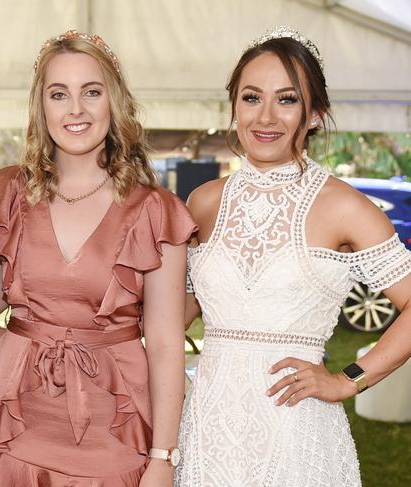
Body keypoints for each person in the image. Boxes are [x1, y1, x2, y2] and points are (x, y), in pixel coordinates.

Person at [175, 26, 411, 486]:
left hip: (297, 430)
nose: (265, 116)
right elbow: (177, 316)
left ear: (314, 113)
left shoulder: (347, 207)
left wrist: (347, 380)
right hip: (208, 427)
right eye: (251, 97)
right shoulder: (201, 202)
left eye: (286, 99)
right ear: (233, 107)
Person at [0, 30, 196, 487]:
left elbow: (164, 344)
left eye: (91, 92)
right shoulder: (5, 195)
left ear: (113, 103)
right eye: (60, 94)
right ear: (42, 106)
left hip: (116, 432)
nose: (75, 109)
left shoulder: (155, 210)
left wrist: (163, 458)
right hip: (21, 427)